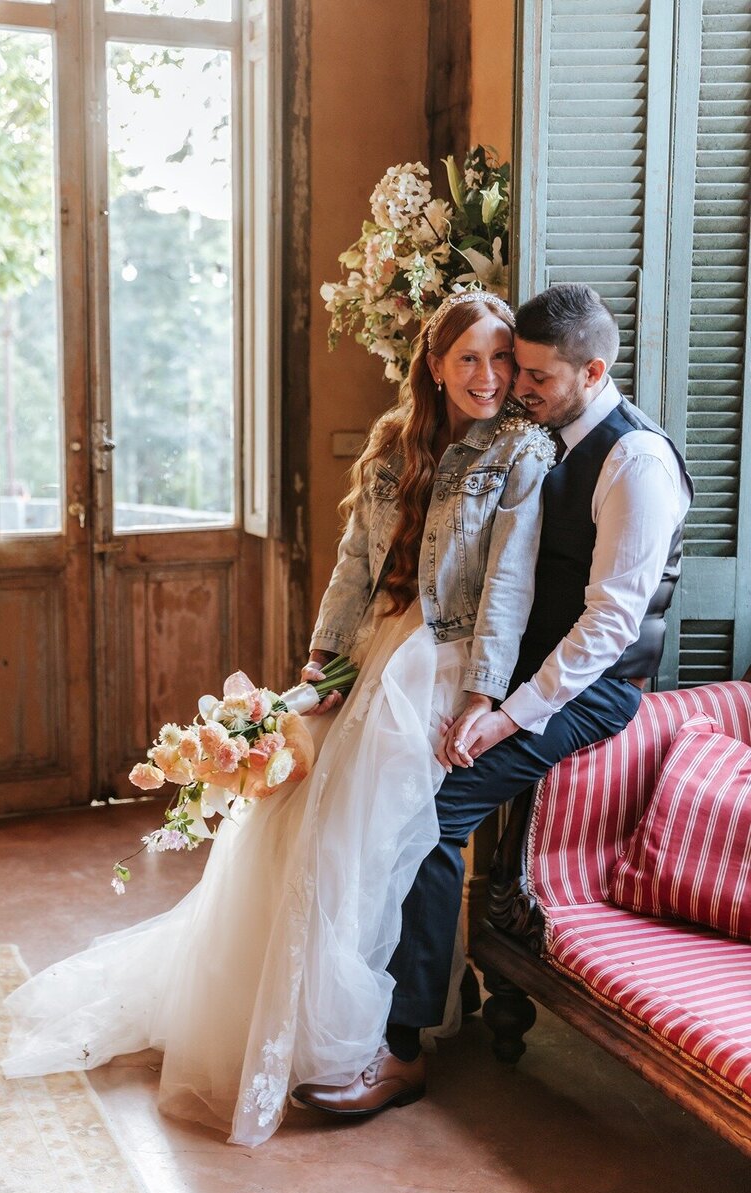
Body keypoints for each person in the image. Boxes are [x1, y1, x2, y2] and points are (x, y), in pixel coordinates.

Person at [1, 291, 555, 1147]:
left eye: (499, 360)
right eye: (468, 359)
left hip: (442, 661)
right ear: (436, 367)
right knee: (293, 816)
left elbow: (511, 584)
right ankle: (282, 1013)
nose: (487, 377)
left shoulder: (520, 449)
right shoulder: (392, 445)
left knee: (367, 833)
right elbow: (355, 560)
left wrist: (482, 694)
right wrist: (324, 654)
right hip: (377, 648)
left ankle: (379, 1035)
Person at [291, 282, 694, 1117]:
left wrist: (505, 713)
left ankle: (401, 1048)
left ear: (595, 368)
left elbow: (607, 627)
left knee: (428, 811)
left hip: (591, 691)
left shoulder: (636, 462)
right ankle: (438, 989)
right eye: (514, 368)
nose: (516, 385)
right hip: (521, 673)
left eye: (535, 374)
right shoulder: (536, 434)